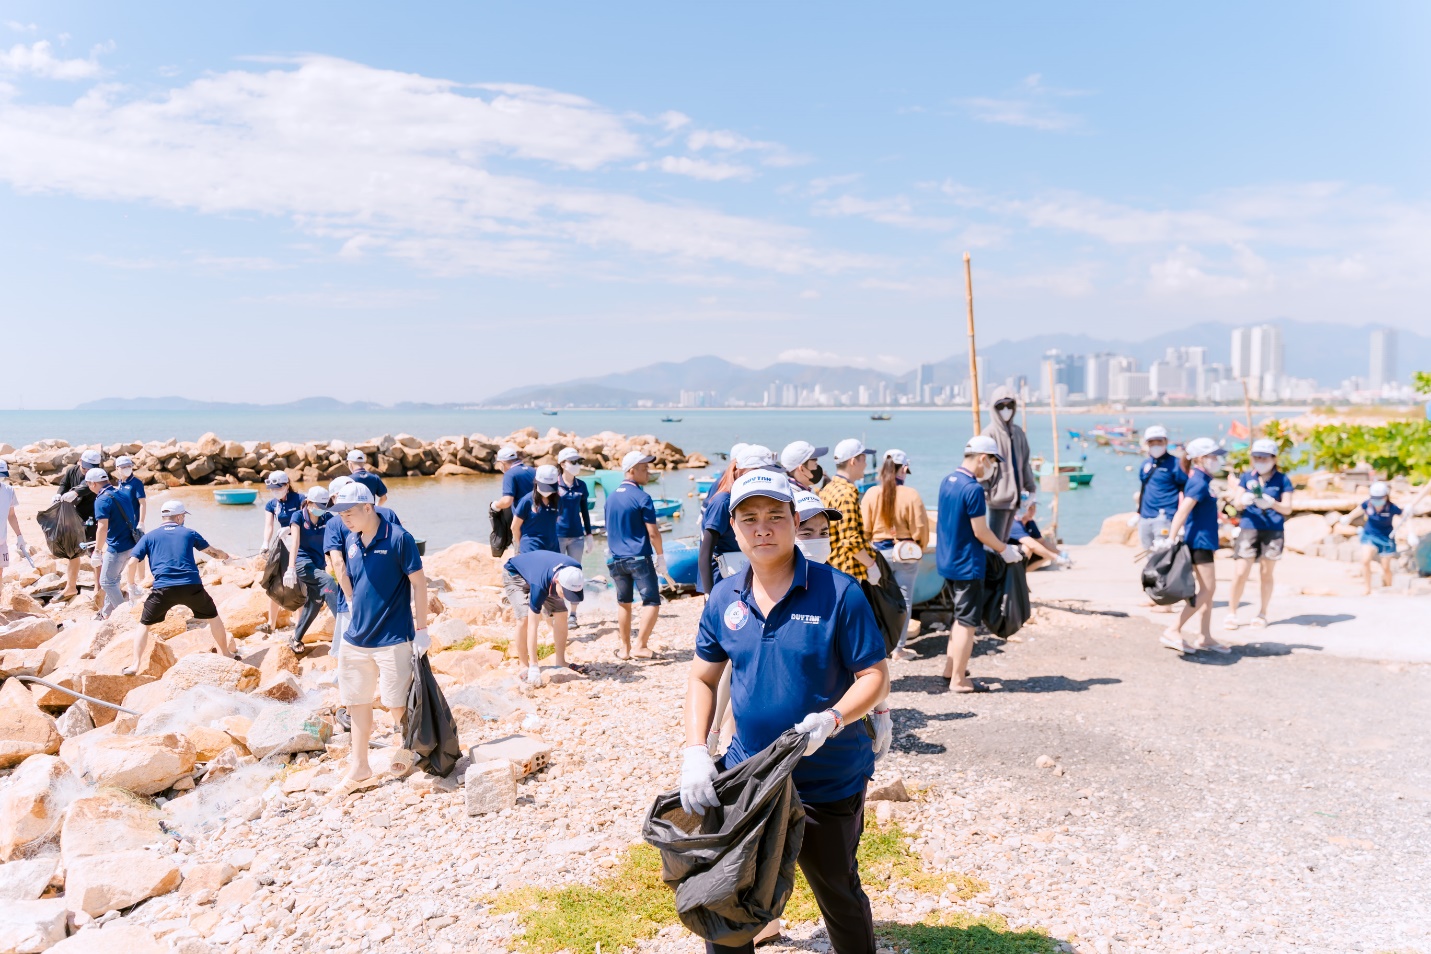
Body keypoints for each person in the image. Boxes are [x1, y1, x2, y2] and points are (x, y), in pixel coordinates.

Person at [681, 469, 890, 954]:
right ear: (733, 528)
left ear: (796, 521)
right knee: (728, 896)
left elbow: (875, 677)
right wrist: (695, 750)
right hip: (748, 776)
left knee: (837, 890)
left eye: (775, 516)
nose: (763, 528)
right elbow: (702, 677)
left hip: (827, 776)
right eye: (749, 518)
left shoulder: (840, 593)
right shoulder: (723, 596)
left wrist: (833, 719)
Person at [325, 481, 428, 799]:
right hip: (356, 638)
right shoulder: (352, 541)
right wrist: (353, 604)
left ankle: (410, 750)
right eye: (339, 511)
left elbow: (420, 585)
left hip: (393, 637)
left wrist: (422, 630)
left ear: (368, 507)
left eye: (349, 511)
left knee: (397, 703)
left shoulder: (399, 538)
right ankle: (360, 768)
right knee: (356, 702)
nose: (343, 517)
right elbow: (349, 576)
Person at [936, 436, 1024, 693]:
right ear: (982, 458)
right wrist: (1005, 549)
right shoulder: (972, 488)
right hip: (967, 564)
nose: (993, 468)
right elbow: (981, 531)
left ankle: (951, 668)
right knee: (967, 622)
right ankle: (959, 680)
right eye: (993, 461)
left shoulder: (947, 480)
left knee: (959, 616)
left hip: (947, 560)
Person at [123, 501, 235, 675]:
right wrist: (226, 557)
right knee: (213, 616)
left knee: (144, 625)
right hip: (191, 586)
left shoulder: (149, 536)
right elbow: (212, 552)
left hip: (163, 589)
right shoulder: (189, 533)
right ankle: (226, 653)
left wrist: (131, 586)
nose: (183, 519)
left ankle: (135, 665)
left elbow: (131, 562)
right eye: (183, 516)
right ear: (179, 516)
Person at [1161, 437, 1229, 654]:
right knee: (1208, 589)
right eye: (1214, 456)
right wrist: (1171, 538)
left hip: (1205, 541)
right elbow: (1183, 510)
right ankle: (1174, 628)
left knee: (1207, 591)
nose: (1218, 460)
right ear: (1201, 458)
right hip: (1199, 542)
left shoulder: (1203, 480)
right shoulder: (1198, 481)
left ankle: (1205, 636)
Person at [860, 449, 928, 659]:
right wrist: (919, 548)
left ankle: (876, 645)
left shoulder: (871, 493)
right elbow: (920, 530)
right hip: (906, 554)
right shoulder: (911, 495)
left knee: (877, 601)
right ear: (904, 468)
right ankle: (898, 649)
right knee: (904, 601)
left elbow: (865, 530)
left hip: (880, 554)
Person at [605, 450, 670, 660]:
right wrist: (660, 557)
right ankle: (640, 645)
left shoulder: (611, 498)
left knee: (624, 603)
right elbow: (653, 532)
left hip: (615, 560)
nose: (648, 472)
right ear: (631, 471)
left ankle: (624, 649)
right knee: (651, 601)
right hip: (639, 558)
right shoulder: (642, 497)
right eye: (644, 468)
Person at [1226, 439, 1293, 629]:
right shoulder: (1247, 477)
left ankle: (1262, 613)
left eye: (1264, 457)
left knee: (1266, 573)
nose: (1260, 461)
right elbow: (1237, 503)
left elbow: (1287, 508)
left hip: (1273, 530)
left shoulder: (1283, 479)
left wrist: (1272, 503)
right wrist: (1244, 499)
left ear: (1273, 458)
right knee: (1240, 572)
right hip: (1249, 527)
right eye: (1256, 457)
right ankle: (1232, 612)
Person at [502, 549, 587, 685]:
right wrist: (535, 665)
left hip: (543, 572)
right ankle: (524, 665)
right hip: (515, 575)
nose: (566, 597)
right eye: (565, 593)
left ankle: (561, 661)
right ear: (558, 582)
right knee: (524, 619)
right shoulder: (540, 584)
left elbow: (564, 589)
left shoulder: (575, 571)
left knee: (562, 613)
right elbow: (533, 626)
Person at [697, 444, 774, 595]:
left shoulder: (744, 501)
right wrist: (709, 594)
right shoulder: (723, 501)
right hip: (721, 577)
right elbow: (705, 552)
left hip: (740, 574)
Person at [283, 485, 344, 654]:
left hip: (318, 565)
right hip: (302, 564)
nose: (322, 510)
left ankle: (295, 638)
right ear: (309, 503)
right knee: (328, 582)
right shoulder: (298, 517)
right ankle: (345, 629)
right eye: (319, 506)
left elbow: (336, 543)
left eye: (325, 507)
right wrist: (290, 568)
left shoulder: (328, 519)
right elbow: (294, 542)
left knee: (315, 603)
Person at [981, 386, 1037, 541]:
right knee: (996, 542)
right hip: (997, 499)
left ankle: (1003, 564)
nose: (1006, 410)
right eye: (1001, 406)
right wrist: (983, 494)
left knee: (1004, 541)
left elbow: (1025, 463)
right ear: (994, 408)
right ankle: (995, 565)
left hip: (1016, 498)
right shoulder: (988, 434)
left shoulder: (1018, 433)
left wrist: (1031, 489)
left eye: (1009, 405)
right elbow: (982, 469)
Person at [820, 439, 877, 584]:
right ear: (853, 461)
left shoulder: (827, 489)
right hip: (848, 572)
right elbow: (851, 540)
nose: (865, 464)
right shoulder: (847, 494)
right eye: (863, 459)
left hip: (832, 567)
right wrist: (871, 565)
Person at [92, 467, 141, 619]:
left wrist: (97, 551)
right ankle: (106, 614)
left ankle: (125, 615)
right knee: (114, 579)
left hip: (117, 548)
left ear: (93, 484)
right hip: (132, 544)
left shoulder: (101, 500)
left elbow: (102, 527)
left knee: (106, 582)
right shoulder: (122, 493)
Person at [54, 448, 104, 601]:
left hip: (92, 516)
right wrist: (59, 493)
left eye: (91, 468)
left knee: (94, 552)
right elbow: (64, 484)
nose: (87, 470)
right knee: (73, 551)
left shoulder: (97, 474)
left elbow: (85, 486)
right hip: (74, 515)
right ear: (80, 461)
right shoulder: (71, 471)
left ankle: (98, 588)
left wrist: (75, 493)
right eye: (85, 467)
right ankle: (70, 587)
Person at [261, 471, 304, 636]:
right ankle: (270, 624)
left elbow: (308, 520)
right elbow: (269, 526)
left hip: (299, 544)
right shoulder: (271, 504)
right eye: (272, 488)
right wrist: (265, 542)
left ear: (287, 485)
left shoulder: (300, 499)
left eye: (278, 488)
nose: (275, 491)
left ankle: (299, 626)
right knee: (274, 582)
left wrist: (292, 529)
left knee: (298, 584)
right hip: (282, 544)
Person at [554, 448, 592, 623]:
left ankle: (573, 614)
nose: (577, 465)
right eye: (573, 462)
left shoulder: (581, 486)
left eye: (579, 462)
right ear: (562, 464)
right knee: (557, 575)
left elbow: (585, 511)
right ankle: (558, 610)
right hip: (558, 535)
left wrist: (589, 534)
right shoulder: (554, 484)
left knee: (576, 573)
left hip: (577, 536)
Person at [1346, 481, 1403, 595]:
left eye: (1379, 498)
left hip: (1386, 538)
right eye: (1374, 498)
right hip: (1369, 535)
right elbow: (1359, 509)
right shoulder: (1368, 504)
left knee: (1386, 567)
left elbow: (1404, 515)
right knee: (1365, 560)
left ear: (1385, 496)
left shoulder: (1391, 507)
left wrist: (1411, 532)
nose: (1376, 500)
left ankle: (1388, 587)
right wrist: (1348, 517)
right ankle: (1367, 588)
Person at [1135, 425, 1186, 551]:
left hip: (1165, 516)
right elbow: (1143, 488)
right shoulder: (1145, 464)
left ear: (1166, 442)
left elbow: (1184, 490)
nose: (1156, 445)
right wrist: (1138, 512)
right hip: (1145, 516)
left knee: (1163, 554)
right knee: (1148, 553)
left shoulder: (1176, 464)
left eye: (1159, 441)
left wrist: (1182, 520)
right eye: (1152, 442)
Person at [112, 455, 148, 598]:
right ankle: (130, 580)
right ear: (117, 469)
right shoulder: (119, 483)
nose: (127, 469)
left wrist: (142, 522)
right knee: (128, 551)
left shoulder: (136, 483)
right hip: (124, 524)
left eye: (129, 466)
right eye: (124, 467)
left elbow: (143, 503)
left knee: (139, 551)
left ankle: (141, 580)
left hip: (135, 525)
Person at [512, 464, 561, 554]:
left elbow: (555, 521)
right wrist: (521, 546)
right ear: (536, 482)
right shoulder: (527, 500)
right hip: (531, 549)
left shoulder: (558, 500)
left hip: (552, 548)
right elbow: (514, 527)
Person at [1009, 499, 1067, 571]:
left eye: (1034, 508)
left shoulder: (1030, 522)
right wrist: (1056, 557)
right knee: (1027, 548)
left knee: (1045, 550)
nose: (1033, 512)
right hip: (1007, 555)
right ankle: (1017, 574)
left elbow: (1042, 542)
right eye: (1029, 508)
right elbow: (1032, 545)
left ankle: (1024, 571)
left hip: (1019, 556)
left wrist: (1060, 552)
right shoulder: (1014, 523)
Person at [0, 461, 27, 588]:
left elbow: (11, 515)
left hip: (1, 540)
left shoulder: (9, 491)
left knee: (0, 572)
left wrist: (19, 535)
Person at [492, 446, 535, 515]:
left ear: (502, 462)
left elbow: (507, 501)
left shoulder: (509, 474)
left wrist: (495, 505)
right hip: (538, 516)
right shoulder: (532, 470)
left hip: (524, 519)